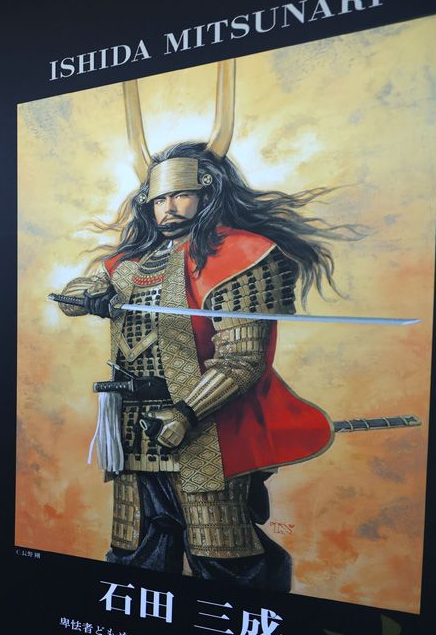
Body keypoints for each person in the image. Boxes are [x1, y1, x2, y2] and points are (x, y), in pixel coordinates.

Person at [58, 62, 359, 591]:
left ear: (206, 192)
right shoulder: (130, 263)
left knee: (223, 556)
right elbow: (87, 292)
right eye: (158, 198)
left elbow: (240, 359)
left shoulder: (244, 255)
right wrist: (86, 295)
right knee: (136, 554)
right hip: (132, 428)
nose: (167, 208)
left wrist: (185, 413)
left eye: (178, 195)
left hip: (206, 428)